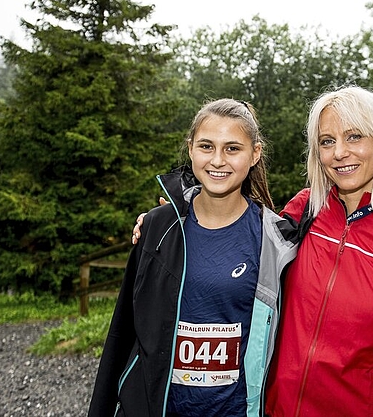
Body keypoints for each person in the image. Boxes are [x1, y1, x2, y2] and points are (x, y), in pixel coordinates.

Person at [132, 86, 373, 416]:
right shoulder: (305, 210)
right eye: (327, 141)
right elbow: (240, 236)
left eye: (354, 137)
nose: (340, 152)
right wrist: (171, 222)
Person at [88, 99, 300, 417]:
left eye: (232, 148)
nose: (217, 160)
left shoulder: (277, 242)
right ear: (190, 149)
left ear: (254, 154)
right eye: (206, 146)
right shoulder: (158, 228)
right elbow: (123, 332)